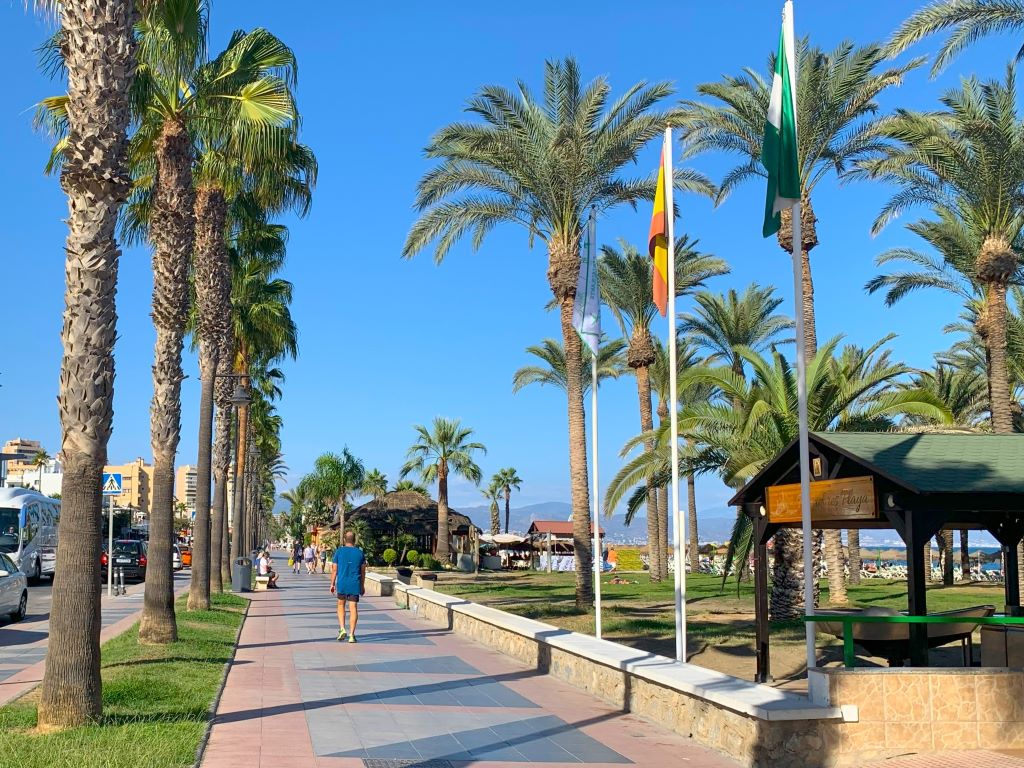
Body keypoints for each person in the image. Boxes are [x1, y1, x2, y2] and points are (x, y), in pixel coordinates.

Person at [330, 530, 366, 643]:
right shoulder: (360, 553)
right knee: (353, 608)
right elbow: (363, 571)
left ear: (344, 540)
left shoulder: (339, 552)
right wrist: (362, 585)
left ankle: (342, 629)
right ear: (355, 540)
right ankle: (351, 635)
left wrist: (332, 584)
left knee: (341, 605)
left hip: (342, 583)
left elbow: (334, 570)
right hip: (354, 583)